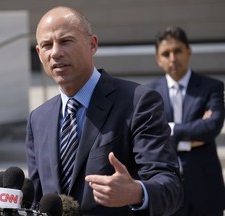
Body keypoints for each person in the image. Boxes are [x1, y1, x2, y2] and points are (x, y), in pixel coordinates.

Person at [25, 6, 183, 216]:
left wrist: (137, 192)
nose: (55, 52)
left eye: (66, 41)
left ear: (92, 45)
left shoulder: (138, 101)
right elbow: (37, 201)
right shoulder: (38, 119)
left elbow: (171, 187)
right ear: (39, 53)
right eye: (47, 45)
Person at [147, 26, 225, 216]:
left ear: (188, 52)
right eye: (166, 53)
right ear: (158, 59)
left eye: (178, 51)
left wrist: (170, 129)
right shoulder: (148, 94)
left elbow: (212, 127)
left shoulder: (212, 87)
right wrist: (192, 137)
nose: (173, 58)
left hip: (205, 187)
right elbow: (151, 136)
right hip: (166, 186)